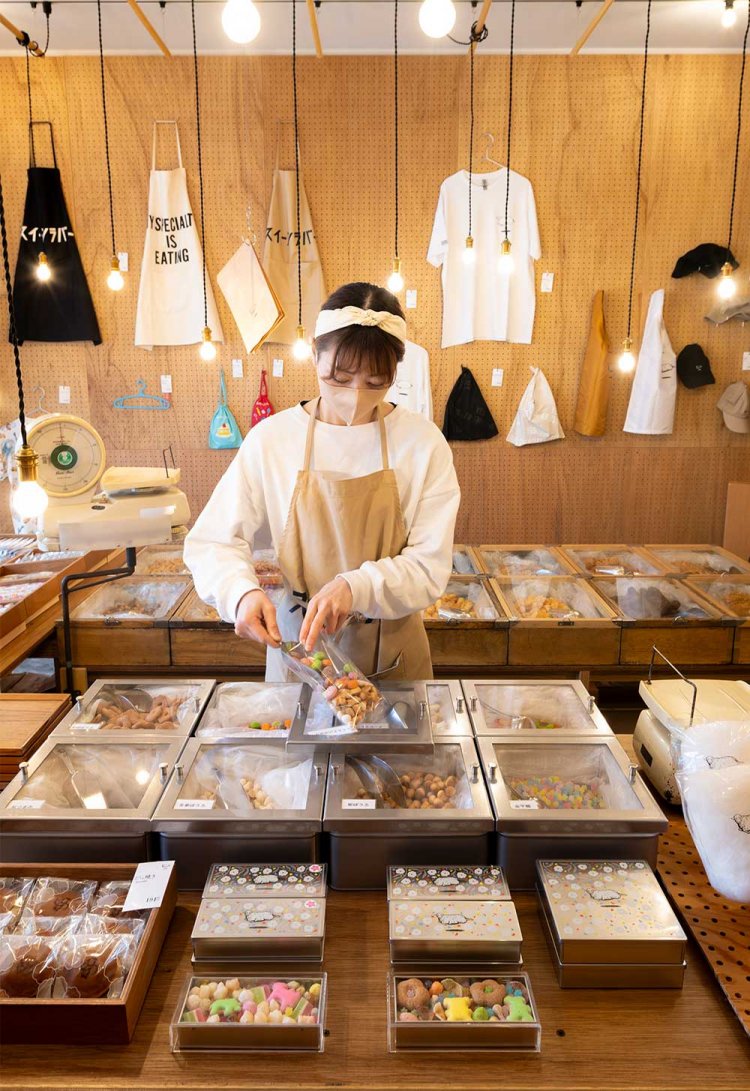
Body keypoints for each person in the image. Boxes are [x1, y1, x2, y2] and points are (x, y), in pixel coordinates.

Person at [184, 281, 461, 681]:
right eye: (340, 378)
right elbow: (213, 541)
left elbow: (429, 566)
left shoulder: (422, 443)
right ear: (315, 355)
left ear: (395, 374)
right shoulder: (274, 439)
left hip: (392, 656)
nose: (355, 395)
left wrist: (356, 587)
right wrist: (239, 592)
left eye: (375, 382)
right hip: (300, 653)